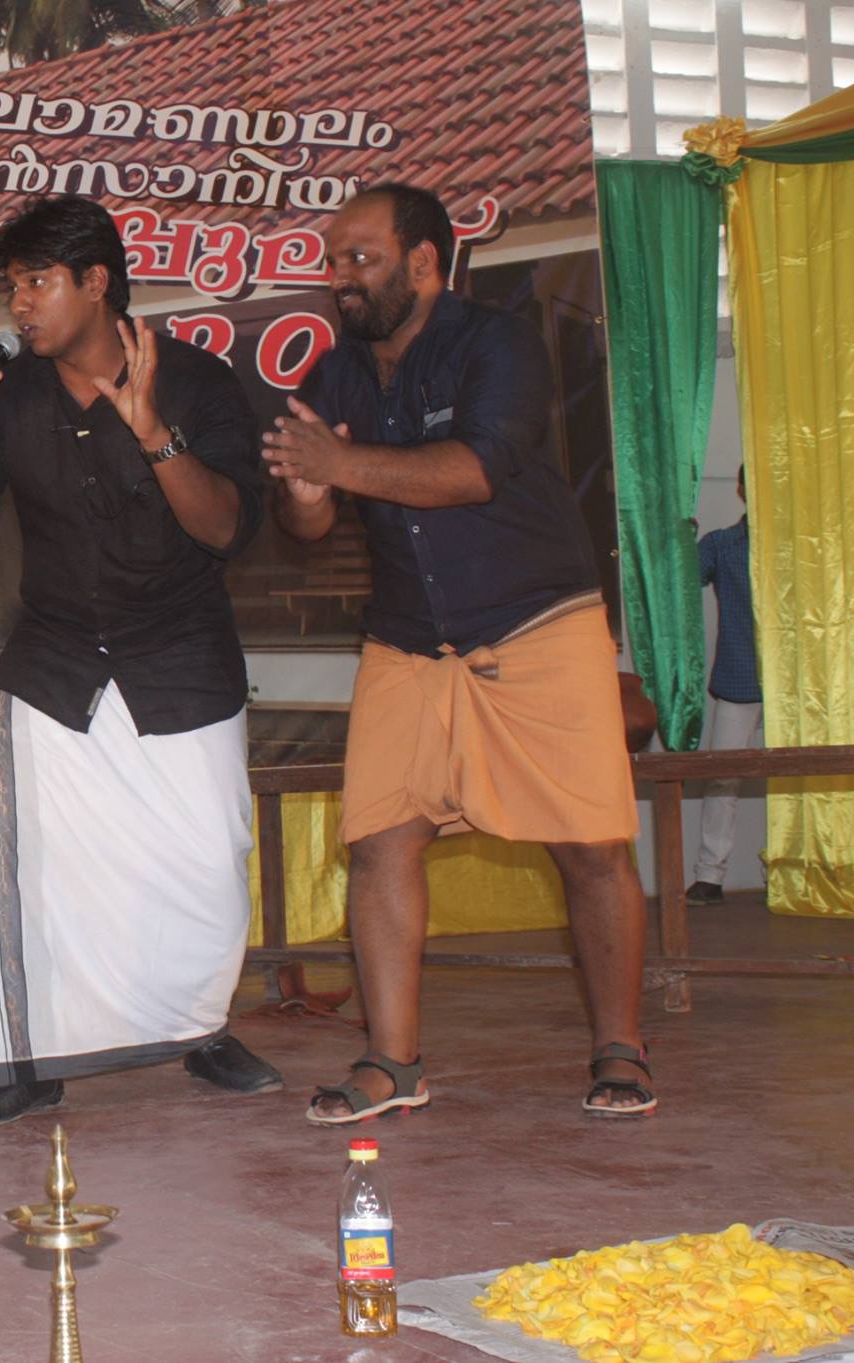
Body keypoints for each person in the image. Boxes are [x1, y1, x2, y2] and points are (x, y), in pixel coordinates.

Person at [264, 183, 657, 1124]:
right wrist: (307, 497)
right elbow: (304, 521)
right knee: (380, 840)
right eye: (333, 261)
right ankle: (392, 1062)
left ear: (425, 263)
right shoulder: (336, 374)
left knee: (591, 846)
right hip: (407, 638)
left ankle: (621, 1048)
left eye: (361, 259)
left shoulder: (497, 343)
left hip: (536, 622)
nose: (341, 277)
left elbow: (476, 470)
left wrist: (338, 467)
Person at [0, 194, 281, 1128]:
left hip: (180, 660)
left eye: (37, 282)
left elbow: (226, 528)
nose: (19, 304)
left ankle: (201, 1029)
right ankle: (21, 1056)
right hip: (54, 664)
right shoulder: (11, 392)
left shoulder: (195, 382)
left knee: (208, 867)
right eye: (12, 286)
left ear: (96, 282)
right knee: (28, 870)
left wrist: (154, 432)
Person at [687, 465, 761, 904]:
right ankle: (710, 876)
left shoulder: (806, 545)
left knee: (812, 778)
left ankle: (806, 869)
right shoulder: (722, 544)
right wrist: (677, 538)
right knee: (722, 779)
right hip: (739, 675)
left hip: (800, 684)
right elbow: (681, 581)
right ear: (741, 489)